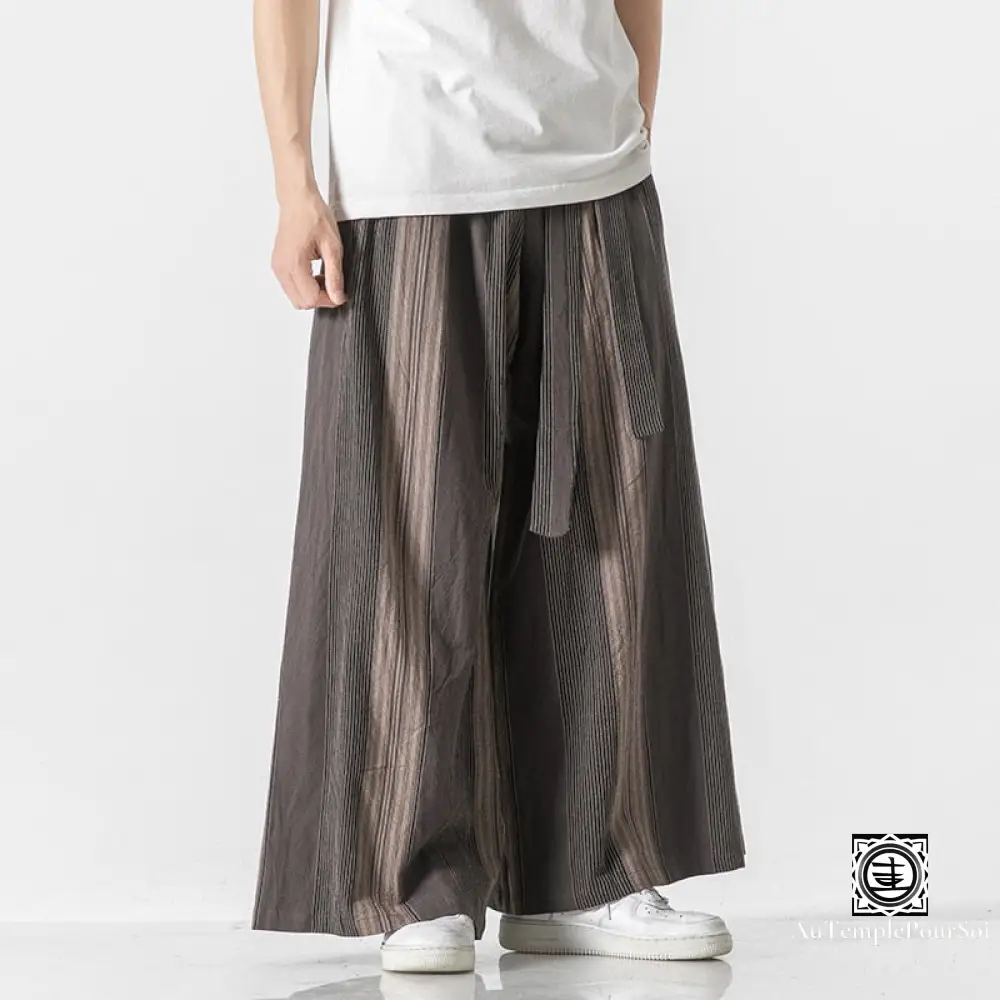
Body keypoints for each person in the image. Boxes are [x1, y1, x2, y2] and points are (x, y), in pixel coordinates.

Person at [250, 0, 746, 975]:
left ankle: (588, 874)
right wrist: (294, 184)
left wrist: (624, 124)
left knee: (609, 526)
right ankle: (417, 882)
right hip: (406, 163)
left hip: (591, 161)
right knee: (408, 545)